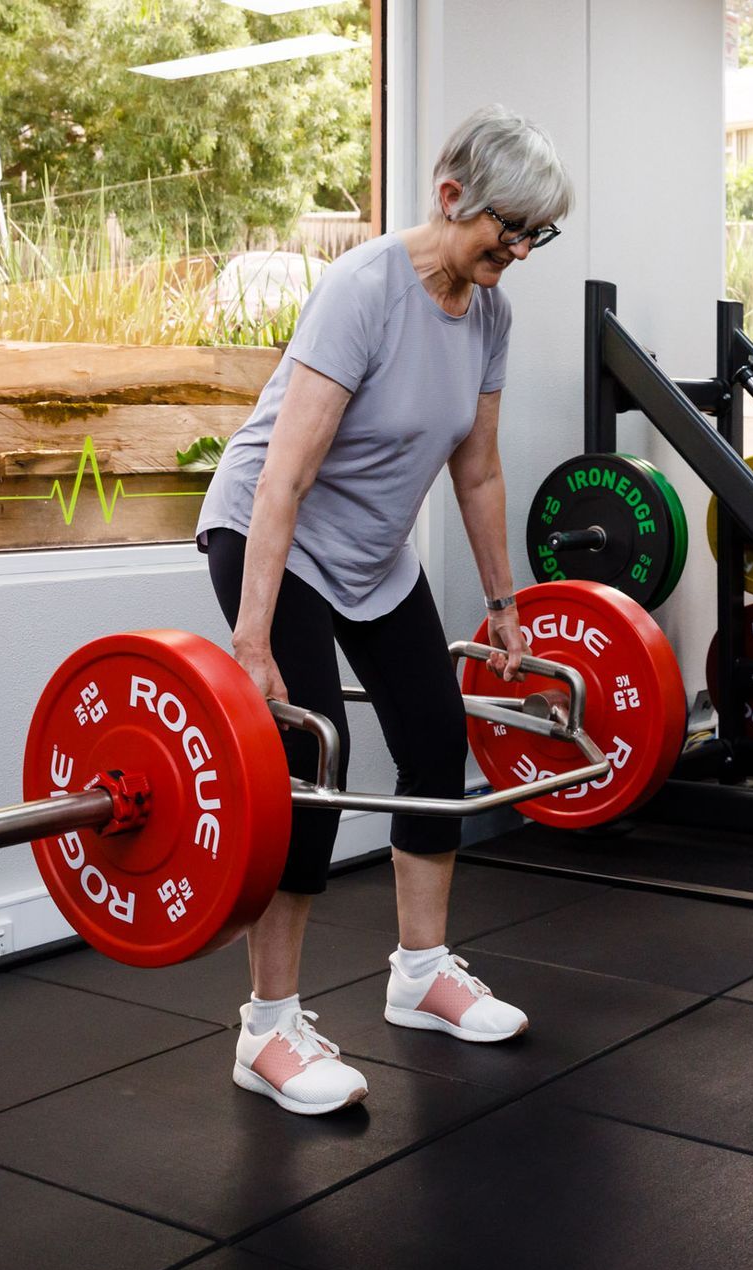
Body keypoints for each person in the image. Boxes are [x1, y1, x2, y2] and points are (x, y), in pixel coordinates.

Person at [195, 105, 572, 1115]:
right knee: (313, 764)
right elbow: (285, 474)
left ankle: (420, 971)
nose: (523, 249)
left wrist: (504, 602)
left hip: (372, 554)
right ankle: (267, 1029)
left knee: (435, 732)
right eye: (511, 227)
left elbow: (479, 469)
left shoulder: (489, 310)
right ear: (452, 197)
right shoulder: (365, 287)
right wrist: (253, 638)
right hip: (272, 533)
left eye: (540, 233)